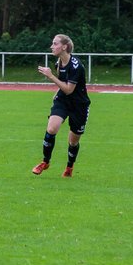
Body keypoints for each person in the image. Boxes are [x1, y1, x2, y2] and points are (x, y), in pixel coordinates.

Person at [32, 33, 90, 177]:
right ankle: (45, 162)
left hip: (79, 104)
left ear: (64, 47)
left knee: (73, 141)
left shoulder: (76, 66)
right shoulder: (59, 62)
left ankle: (69, 166)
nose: (52, 46)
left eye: (55, 43)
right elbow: (63, 83)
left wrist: (50, 76)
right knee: (52, 128)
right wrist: (57, 91)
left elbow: (69, 89)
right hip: (63, 100)